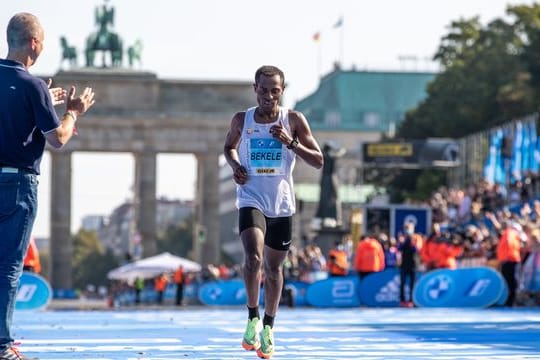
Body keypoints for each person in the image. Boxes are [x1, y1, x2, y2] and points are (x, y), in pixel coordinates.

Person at [0, 12, 95, 360]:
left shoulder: (29, 87)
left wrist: (42, 99)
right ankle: (2, 345)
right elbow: (58, 139)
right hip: (17, 184)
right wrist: (73, 111)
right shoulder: (33, 86)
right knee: (9, 265)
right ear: (35, 43)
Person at [224, 65, 323, 359]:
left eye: (275, 91)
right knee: (253, 258)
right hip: (251, 197)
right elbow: (229, 147)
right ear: (255, 88)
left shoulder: (293, 119)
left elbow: (318, 160)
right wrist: (235, 166)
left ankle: (269, 325)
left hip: (281, 203)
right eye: (263, 90)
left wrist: (290, 143)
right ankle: (252, 316)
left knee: (274, 269)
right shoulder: (242, 119)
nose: (269, 96)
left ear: (282, 90)